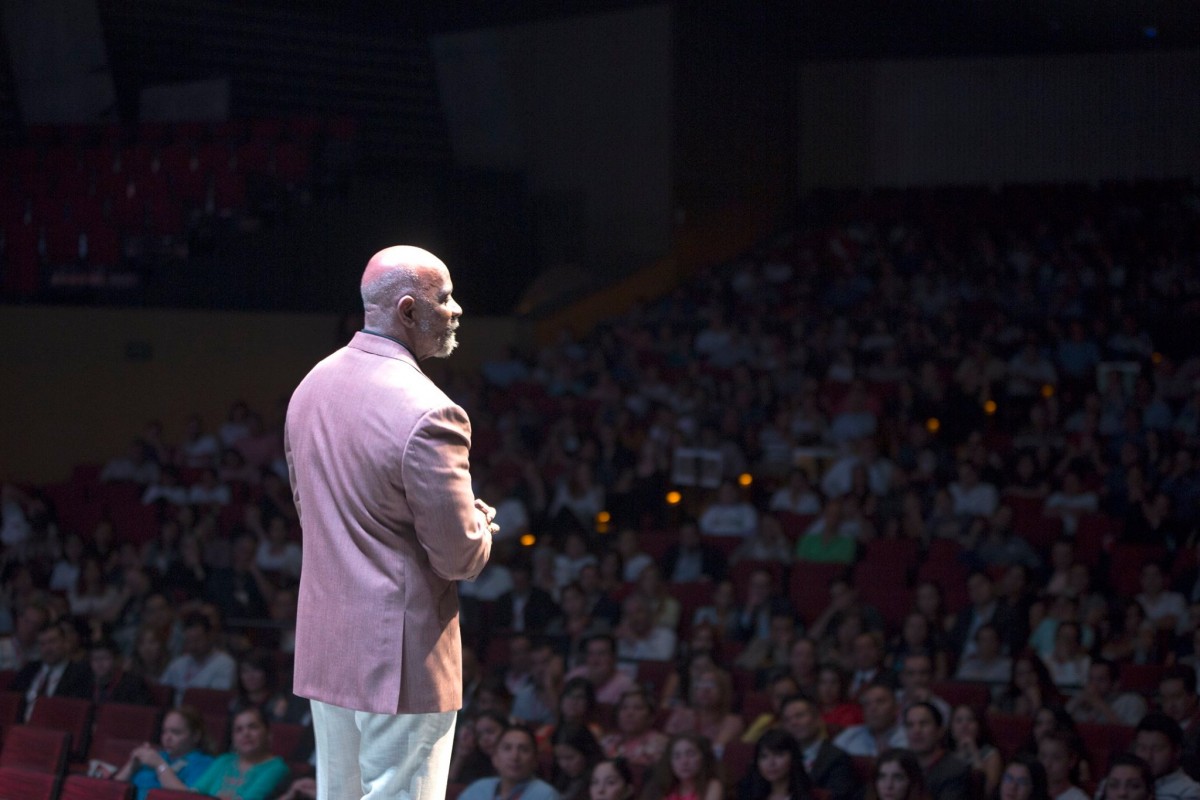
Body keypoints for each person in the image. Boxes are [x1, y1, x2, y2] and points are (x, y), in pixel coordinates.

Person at [284, 245, 496, 799]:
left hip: (329, 647)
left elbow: (312, 515)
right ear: (407, 311)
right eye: (444, 298)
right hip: (399, 658)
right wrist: (478, 525)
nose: (456, 311)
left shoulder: (310, 386)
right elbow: (457, 557)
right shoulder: (431, 412)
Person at [113, 706, 214, 800]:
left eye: (176, 732)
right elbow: (112, 791)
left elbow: (187, 797)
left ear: (196, 736)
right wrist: (131, 766)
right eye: (165, 731)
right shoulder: (157, 756)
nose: (167, 738)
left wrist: (160, 766)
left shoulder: (205, 763)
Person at [189, 707, 289, 799]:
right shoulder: (224, 760)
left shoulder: (276, 768)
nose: (246, 733)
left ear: (268, 733)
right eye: (239, 730)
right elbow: (195, 794)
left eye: (253, 727)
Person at [779, 694, 862, 800]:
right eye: (787, 720)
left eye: (799, 716)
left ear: (817, 718)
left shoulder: (837, 758)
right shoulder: (778, 757)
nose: (793, 723)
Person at [10, 621, 92, 720]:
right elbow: (12, 701)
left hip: (56, 727)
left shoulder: (80, 673)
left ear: (65, 642)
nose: (47, 648)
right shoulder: (29, 670)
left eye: (52, 641)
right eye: (42, 644)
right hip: (21, 727)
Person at [458, 724, 561, 800]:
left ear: (535, 760)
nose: (514, 756)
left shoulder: (546, 795)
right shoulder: (479, 788)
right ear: (495, 758)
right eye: (507, 748)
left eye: (524, 749)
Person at [160, 612, 236, 704]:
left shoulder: (225, 664)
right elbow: (162, 690)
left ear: (210, 636)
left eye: (197, 640)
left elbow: (217, 700)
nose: (193, 646)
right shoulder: (178, 663)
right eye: (189, 641)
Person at [903, 702, 971, 800]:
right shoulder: (902, 765)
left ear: (940, 731)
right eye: (910, 725)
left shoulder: (955, 770)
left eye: (923, 724)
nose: (916, 730)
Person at [1133, 712, 1200, 800]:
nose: (1148, 756)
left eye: (1156, 749)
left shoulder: (1190, 791)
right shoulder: (1121, 785)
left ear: (1177, 751)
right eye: (1142, 748)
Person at [640, 732, 724, 800]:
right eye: (677, 756)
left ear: (703, 757)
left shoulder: (712, 786)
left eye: (691, 754)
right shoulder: (660, 787)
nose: (684, 762)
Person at [600, 688, 669, 767]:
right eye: (624, 708)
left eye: (638, 708)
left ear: (651, 717)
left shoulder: (660, 744)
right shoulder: (607, 741)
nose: (629, 713)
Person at [834, 682, 908, 757]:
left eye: (880, 702)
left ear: (896, 708)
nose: (872, 708)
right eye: (867, 704)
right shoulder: (849, 736)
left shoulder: (909, 737)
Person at [739, 728, 815, 800]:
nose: (771, 763)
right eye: (764, 756)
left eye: (778, 754)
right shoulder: (748, 795)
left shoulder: (813, 796)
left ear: (793, 758)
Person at [946, 704, 1002, 797]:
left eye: (970, 720)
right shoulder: (943, 752)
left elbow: (989, 791)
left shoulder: (991, 754)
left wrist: (974, 753)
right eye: (959, 720)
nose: (965, 725)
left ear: (979, 726)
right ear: (951, 728)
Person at [551, 722, 605, 800]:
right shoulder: (558, 776)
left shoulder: (602, 782)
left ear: (587, 754)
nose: (563, 764)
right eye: (558, 758)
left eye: (569, 758)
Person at [1035, 728, 1088, 800]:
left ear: (1072, 761)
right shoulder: (1027, 792)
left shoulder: (1078, 798)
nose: (1047, 764)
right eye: (1043, 756)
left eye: (1056, 758)